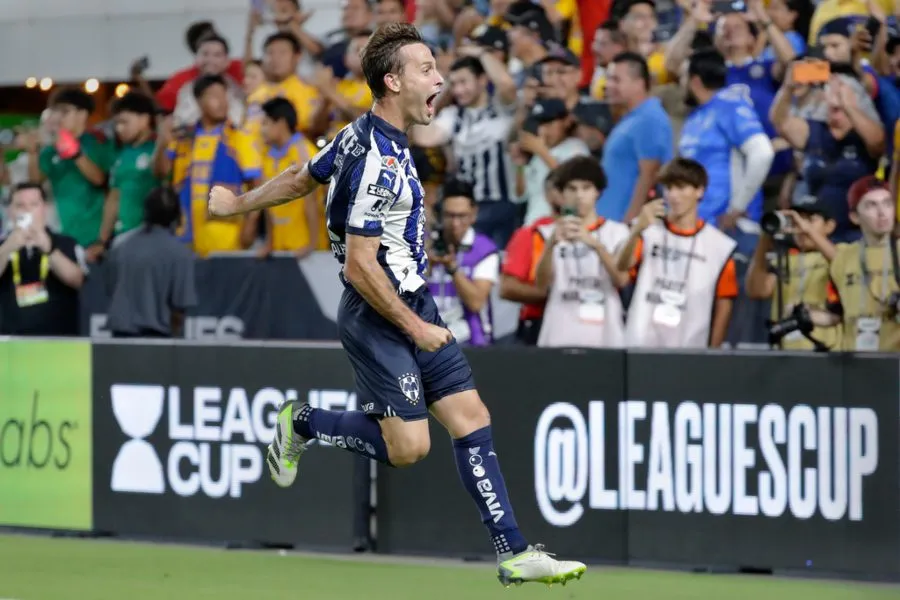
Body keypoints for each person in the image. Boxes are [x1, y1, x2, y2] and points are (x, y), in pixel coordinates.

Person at [207, 22, 586, 587]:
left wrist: (237, 203)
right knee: (409, 449)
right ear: (393, 81)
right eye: (427, 69)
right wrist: (415, 326)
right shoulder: (376, 163)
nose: (440, 80)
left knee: (472, 418)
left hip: (413, 303)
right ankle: (302, 422)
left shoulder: (360, 133)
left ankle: (514, 553)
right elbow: (359, 267)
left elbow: (301, 178)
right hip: (379, 314)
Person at [616, 157, 740, 348]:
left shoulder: (719, 246)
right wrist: (637, 229)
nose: (673, 195)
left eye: (681, 187)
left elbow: (724, 304)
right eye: (669, 188)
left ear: (699, 191)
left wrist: (713, 353)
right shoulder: (648, 231)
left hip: (691, 348)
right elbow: (622, 270)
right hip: (641, 345)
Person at [411, 52, 518, 247]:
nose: (458, 90)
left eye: (463, 82)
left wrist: (480, 52)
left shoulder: (502, 110)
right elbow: (424, 137)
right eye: (454, 84)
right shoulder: (454, 116)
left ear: (482, 80)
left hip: (501, 205)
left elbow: (507, 85)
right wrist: (437, 89)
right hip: (465, 208)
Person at [153, 75, 262, 257]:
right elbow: (161, 173)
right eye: (214, 96)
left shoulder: (239, 137)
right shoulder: (183, 140)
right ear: (198, 101)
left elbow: (257, 185)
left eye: (224, 96)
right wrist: (162, 141)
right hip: (185, 237)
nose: (222, 102)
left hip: (226, 239)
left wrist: (251, 224)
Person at [535, 156, 630, 348]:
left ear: (597, 192)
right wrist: (550, 245)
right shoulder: (545, 233)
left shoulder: (618, 232)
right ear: (562, 194)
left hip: (606, 332)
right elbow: (541, 285)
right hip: (560, 330)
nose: (579, 195)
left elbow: (621, 280)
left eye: (586, 188)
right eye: (572, 189)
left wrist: (595, 245)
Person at [745, 196, 840, 350]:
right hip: (785, 347)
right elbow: (757, 290)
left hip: (825, 347)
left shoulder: (839, 253)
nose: (801, 226)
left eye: (810, 219)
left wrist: (809, 230)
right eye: (798, 220)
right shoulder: (784, 258)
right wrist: (765, 236)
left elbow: (843, 265)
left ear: (829, 226)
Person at [818, 176, 900, 351]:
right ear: (855, 217)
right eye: (871, 205)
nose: (882, 212)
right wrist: (809, 316)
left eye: (887, 204)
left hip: (894, 361)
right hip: (854, 360)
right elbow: (837, 314)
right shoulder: (843, 258)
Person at [105, 187, 198, 339]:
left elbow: (111, 289)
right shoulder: (180, 254)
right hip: (157, 339)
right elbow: (179, 307)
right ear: (177, 216)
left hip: (119, 336)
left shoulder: (120, 246)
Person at [0, 183, 85, 336]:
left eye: (34, 204)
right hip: (10, 340)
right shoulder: (3, 245)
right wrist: (7, 248)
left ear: (44, 208)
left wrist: (49, 249)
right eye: (20, 205)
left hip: (60, 339)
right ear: (10, 211)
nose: (27, 210)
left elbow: (77, 280)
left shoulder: (66, 243)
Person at [244, 97, 324, 257]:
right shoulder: (267, 157)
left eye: (265, 123)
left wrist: (311, 245)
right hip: (280, 249)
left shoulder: (303, 152)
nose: (261, 129)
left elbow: (312, 201)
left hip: (306, 250)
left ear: (280, 123)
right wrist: (270, 243)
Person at [599, 51, 673, 223]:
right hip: (610, 221)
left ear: (639, 83)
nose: (608, 85)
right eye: (608, 79)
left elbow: (649, 175)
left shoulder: (650, 118)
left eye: (616, 80)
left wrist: (630, 223)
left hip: (622, 223)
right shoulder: (632, 117)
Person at [427, 178, 499, 347]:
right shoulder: (425, 245)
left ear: (473, 214)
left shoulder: (484, 249)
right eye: (449, 215)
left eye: (462, 216)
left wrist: (452, 268)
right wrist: (427, 264)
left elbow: (476, 302)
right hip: (429, 341)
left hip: (471, 343)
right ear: (440, 213)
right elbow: (407, 296)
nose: (455, 223)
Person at [105, 92, 161, 249]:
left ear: (144, 119)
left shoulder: (159, 150)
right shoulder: (121, 154)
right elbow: (114, 198)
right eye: (116, 123)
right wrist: (102, 240)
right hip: (122, 236)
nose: (119, 128)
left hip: (151, 238)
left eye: (124, 122)